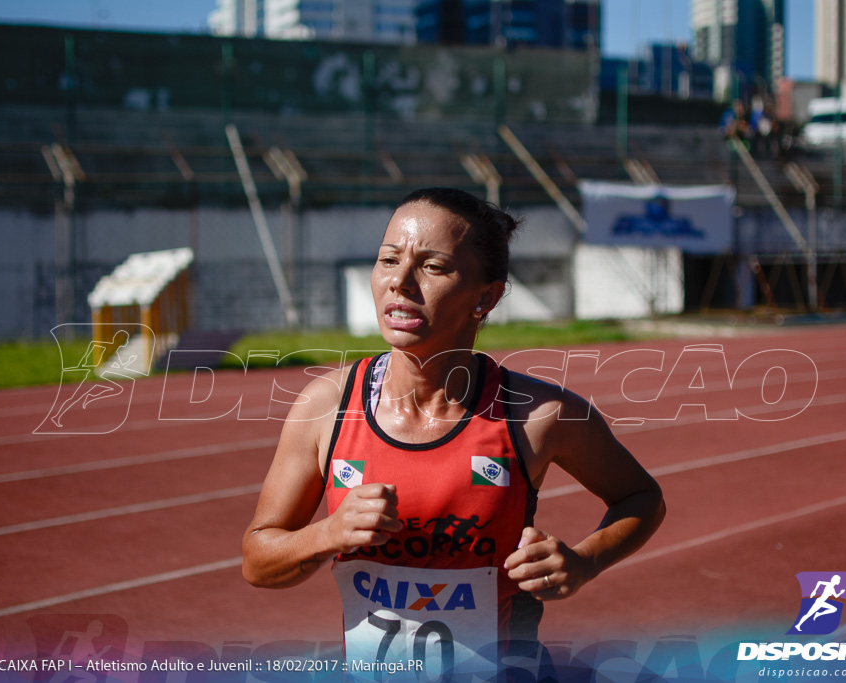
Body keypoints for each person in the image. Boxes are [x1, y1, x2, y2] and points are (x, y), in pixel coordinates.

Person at [241, 188, 665, 679]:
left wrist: (585, 562)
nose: (399, 282)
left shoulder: (540, 415)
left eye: (433, 267)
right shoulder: (326, 407)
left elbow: (642, 497)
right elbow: (258, 562)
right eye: (388, 259)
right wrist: (326, 534)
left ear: (486, 296)